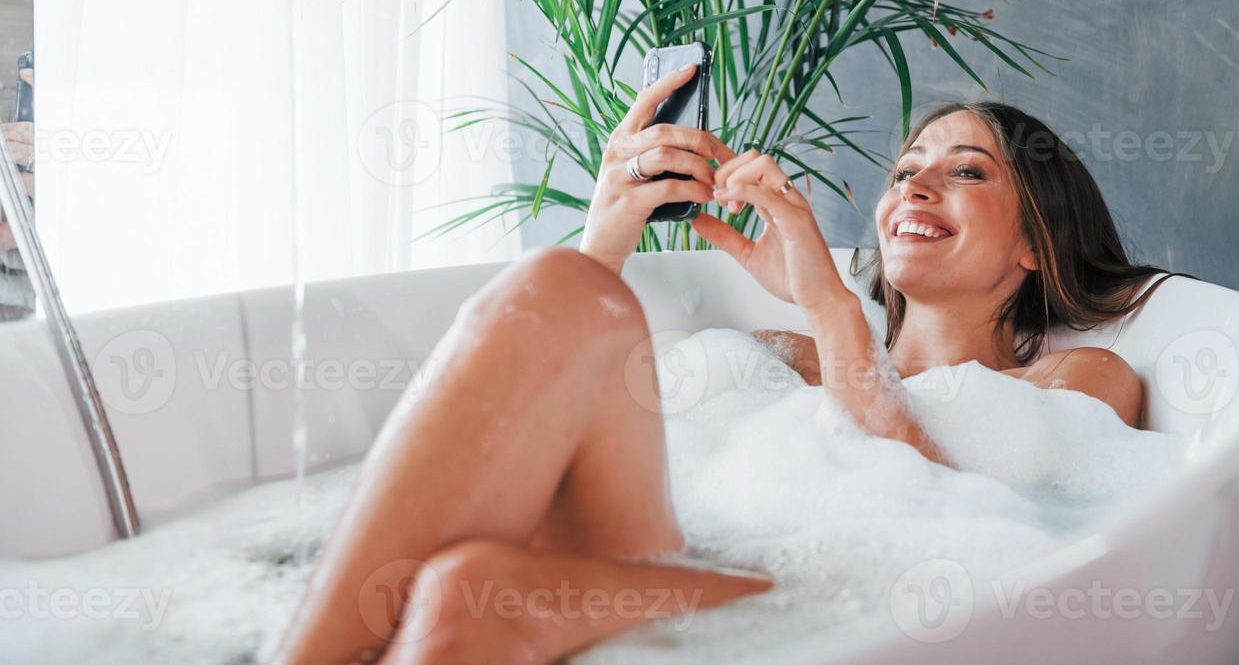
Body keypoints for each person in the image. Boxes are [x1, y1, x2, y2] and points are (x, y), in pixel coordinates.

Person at [273, 64, 1180, 664]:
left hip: (827, 608)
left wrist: (831, 302)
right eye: (906, 169)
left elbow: (975, 541)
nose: (915, 184)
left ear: (1035, 244)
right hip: (696, 559)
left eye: (968, 172)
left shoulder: (1076, 382)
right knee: (466, 578)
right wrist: (611, 227)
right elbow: (573, 433)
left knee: (468, 591)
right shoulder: (777, 364)